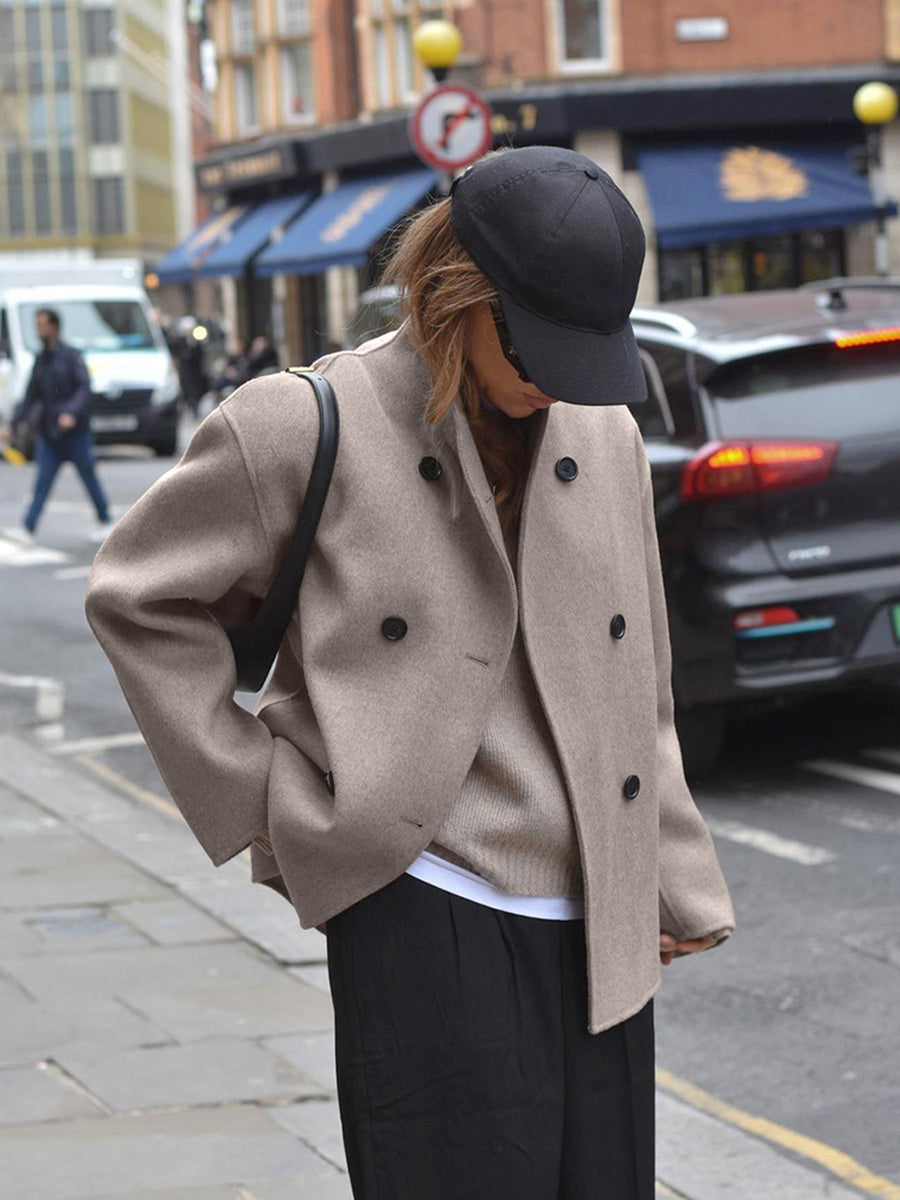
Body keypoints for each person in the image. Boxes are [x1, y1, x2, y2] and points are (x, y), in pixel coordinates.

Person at [83, 146, 736, 1200]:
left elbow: (636, 671)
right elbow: (140, 598)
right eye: (536, 343)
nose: (551, 378)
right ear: (455, 290)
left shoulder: (599, 427)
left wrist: (667, 865)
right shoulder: (298, 425)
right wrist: (269, 804)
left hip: (598, 924)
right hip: (429, 899)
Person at [0, 307, 113, 543]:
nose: (38, 330)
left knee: (88, 477)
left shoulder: (71, 356)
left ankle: (105, 519)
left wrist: (71, 413)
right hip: (50, 434)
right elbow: (30, 397)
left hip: (76, 434)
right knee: (42, 482)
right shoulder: (41, 360)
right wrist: (12, 425)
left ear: (54, 326)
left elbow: (84, 388)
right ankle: (28, 527)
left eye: (41, 325)